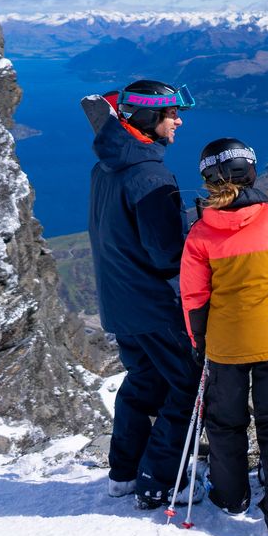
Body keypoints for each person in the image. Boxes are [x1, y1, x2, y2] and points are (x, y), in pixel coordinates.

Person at [179, 138, 268, 536]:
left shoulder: (200, 233)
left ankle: (231, 498)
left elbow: (194, 299)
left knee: (225, 424)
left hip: (224, 347)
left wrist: (200, 343)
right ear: (251, 173)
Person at [83, 78, 205, 510]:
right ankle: (161, 482)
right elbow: (166, 254)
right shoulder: (150, 175)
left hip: (120, 303)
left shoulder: (106, 167)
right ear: (148, 117)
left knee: (143, 383)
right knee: (189, 386)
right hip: (154, 305)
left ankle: (125, 474)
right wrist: (198, 233)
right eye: (171, 114)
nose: (178, 121)